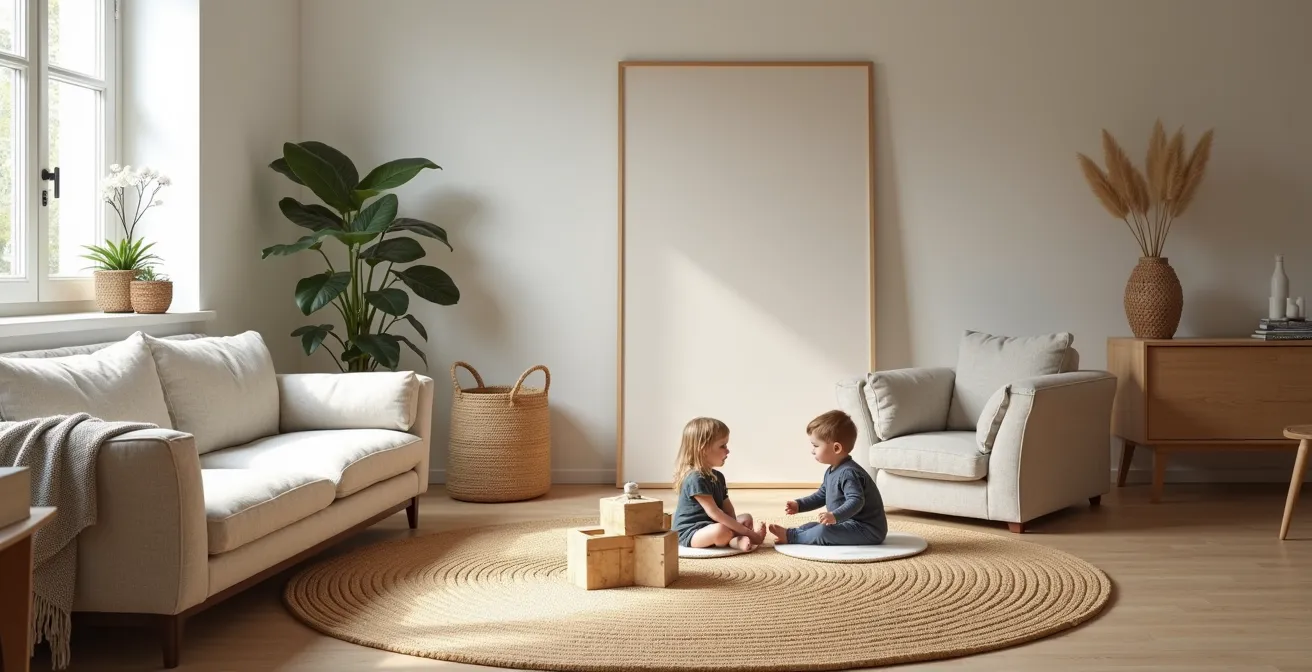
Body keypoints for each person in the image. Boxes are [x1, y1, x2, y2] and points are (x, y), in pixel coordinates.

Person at [767, 410, 888, 546]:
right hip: (847, 523)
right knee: (813, 525)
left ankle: (792, 537)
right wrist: (799, 505)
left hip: (867, 530)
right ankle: (794, 533)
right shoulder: (832, 470)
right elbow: (822, 495)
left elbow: (856, 501)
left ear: (836, 448)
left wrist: (834, 516)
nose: (812, 450)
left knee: (823, 531)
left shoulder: (849, 473)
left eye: (816, 446)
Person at [670, 417, 766, 550]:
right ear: (703, 449)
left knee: (745, 518)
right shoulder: (695, 478)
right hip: (690, 532)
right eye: (723, 446)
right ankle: (736, 539)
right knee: (721, 530)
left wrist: (737, 526)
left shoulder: (718, 477)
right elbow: (715, 513)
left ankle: (736, 539)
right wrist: (747, 532)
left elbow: (728, 510)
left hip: (712, 525)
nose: (728, 451)